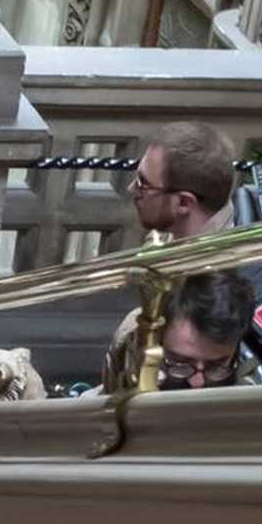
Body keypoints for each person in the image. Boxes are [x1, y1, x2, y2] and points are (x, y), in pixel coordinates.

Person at [102, 122, 240, 389]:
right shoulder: (201, 222)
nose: (132, 189)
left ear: (184, 203)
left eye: (144, 184)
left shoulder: (214, 283)